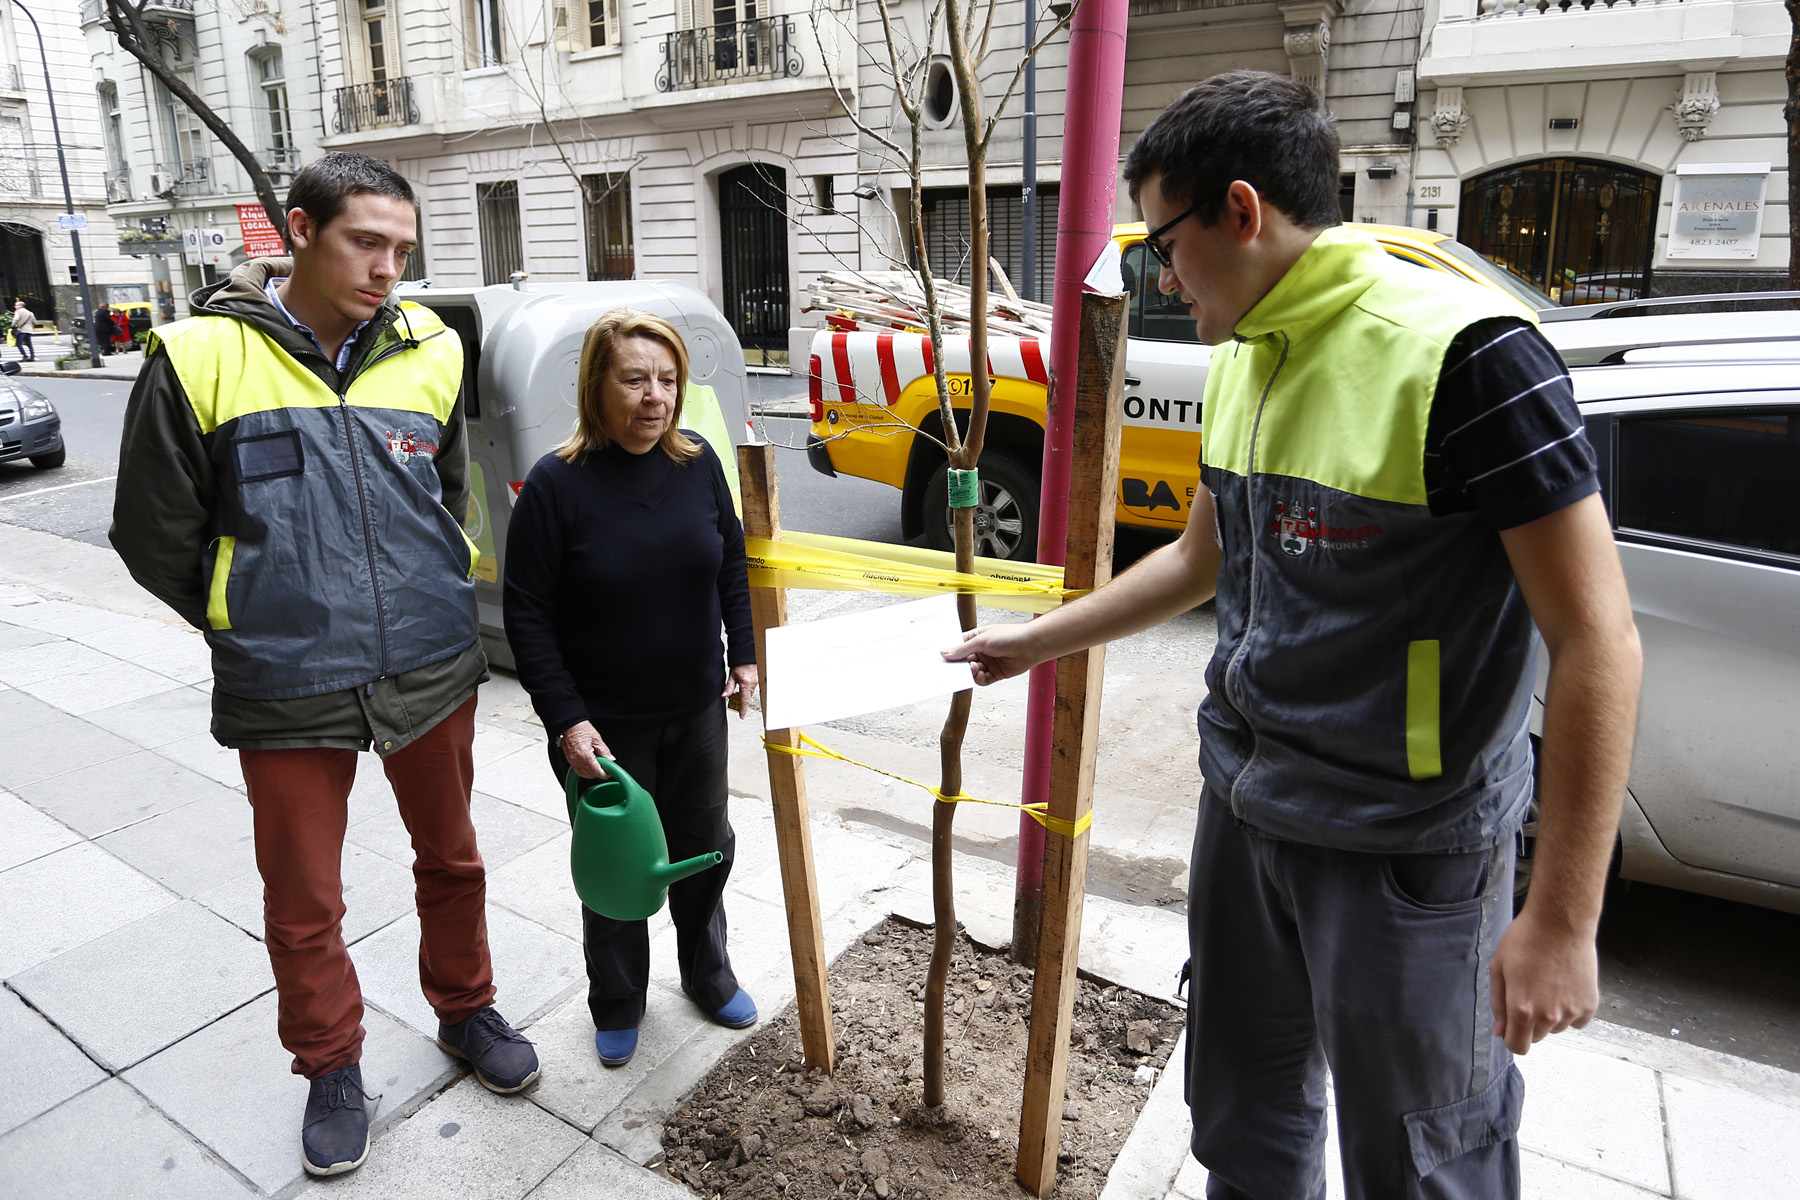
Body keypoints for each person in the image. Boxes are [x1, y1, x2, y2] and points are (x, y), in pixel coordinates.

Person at [945, 71, 1642, 1199]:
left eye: (1163, 243)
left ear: (1240, 211)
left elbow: (1599, 638)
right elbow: (1197, 564)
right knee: (1244, 1111)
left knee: (1422, 1160)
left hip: (1405, 847)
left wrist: (1563, 919)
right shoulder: (1245, 353)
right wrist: (1038, 640)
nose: (1160, 276)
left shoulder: (1467, 359)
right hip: (1248, 812)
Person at [110, 152, 539, 1179]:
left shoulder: (432, 345)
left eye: (402, 248)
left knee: (456, 860)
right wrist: (243, 614)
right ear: (299, 229)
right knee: (304, 898)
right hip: (285, 676)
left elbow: (446, 493)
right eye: (365, 242)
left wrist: (439, 581)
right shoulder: (199, 356)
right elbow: (151, 532)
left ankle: (467, 1010)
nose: (389, 267)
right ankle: (330, 1068)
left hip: (431, 662)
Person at [502, 307, 759, 1070]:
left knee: (705, 850)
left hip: (694, 709)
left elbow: (732, 565)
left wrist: (742, 655)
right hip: (602, 732)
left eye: (669, 380)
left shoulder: (697, 462)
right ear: (597, 386)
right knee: (618, 871)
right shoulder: (556, 484)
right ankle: (616, 1000)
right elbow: (528, 614)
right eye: (636, 379)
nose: (656, 397)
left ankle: (707, 974)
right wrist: (567, 720)